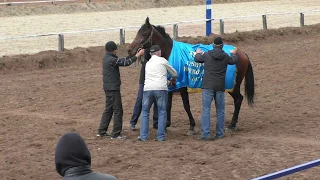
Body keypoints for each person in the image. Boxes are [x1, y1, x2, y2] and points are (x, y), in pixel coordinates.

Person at [97, 41, 145, 140]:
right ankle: (116, 134)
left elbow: (121, 60)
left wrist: (132, 55)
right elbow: (125, 63)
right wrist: (138, 55)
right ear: (113, 50)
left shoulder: (106, 58)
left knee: (108, 109)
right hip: (113, 88)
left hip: (107, 87)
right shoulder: (111, 60)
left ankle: (101, 131)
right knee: (118, 110)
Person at [194, 37, 239, 140]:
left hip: (208, 86)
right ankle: (219, 133)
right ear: (222, 46)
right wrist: (232, 53)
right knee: (220, 111)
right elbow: (234, 60)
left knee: (206, 110)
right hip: (219, 86)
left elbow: (197, 59)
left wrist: (198, 52)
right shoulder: (226, 56)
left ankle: (205, 134)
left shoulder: (207, 55)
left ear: (213, 45)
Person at [138, 45, 178, 142]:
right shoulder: (163, 61)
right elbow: (174, 74)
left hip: (148, 89)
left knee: (145, 112)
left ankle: (143, 136)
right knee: (162, 112)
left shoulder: (148, 64)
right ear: (159, 52)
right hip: (160, 88)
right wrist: (171, 80)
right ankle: (160, 136)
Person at [129, 48, 159, 131]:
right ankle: (133, 122)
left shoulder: (155, 47)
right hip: (145, 79)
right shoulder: (146, 48)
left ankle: (155, 122)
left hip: (150, 79)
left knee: (154, 100)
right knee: (140, 100)